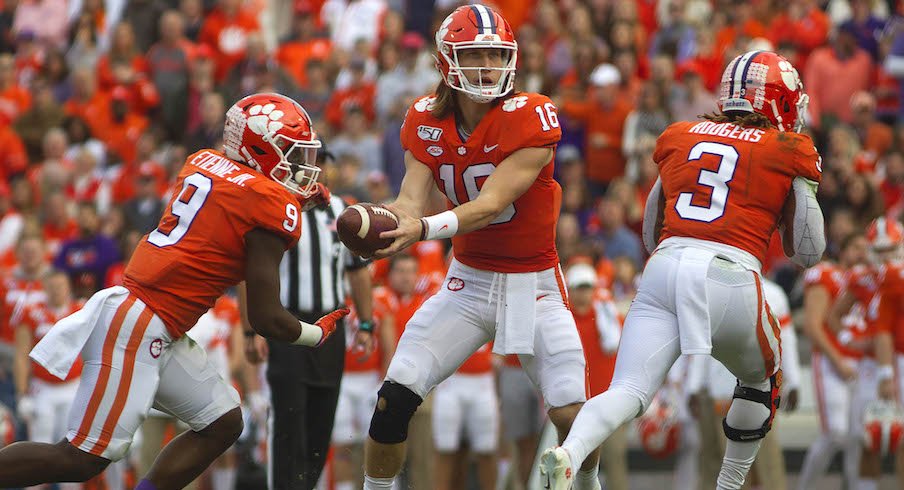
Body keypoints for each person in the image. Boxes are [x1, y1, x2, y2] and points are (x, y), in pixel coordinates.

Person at [0, 92, 349, 490]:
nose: (303, 166)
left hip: (154, 322)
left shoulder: (205, 162)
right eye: (291, 152)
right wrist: (315, 333)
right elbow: (268, 317)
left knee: (223, 421)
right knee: (82, 458)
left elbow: (233, 212)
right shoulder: (269, 205)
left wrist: (289, 199)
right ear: (259, 150)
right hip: (140, 324)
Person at [540, 50, 826, 490]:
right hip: (730, 273)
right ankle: (728, 484)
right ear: (778, 101)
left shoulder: (682, 134)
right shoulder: (788, 148)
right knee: (762, 379)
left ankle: (570, 453)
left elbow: (652, 231)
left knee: (628, 391)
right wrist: (800, 186)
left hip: (665, 266)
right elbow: (809, 251)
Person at [362, 5, 600, 490]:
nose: (489, 67)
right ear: (448, 61)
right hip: (467, 283)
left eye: (496, 55)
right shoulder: (425, 119)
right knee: (393, 401)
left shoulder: (530, 114)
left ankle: (587, 486)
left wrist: (422, 228)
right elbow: (410, 199)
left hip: (533, 284)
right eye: (476, 56)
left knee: (574, 416)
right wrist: (379, 223)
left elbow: (490, 204)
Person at [242, 142, 375, 490]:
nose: (315, 170)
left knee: (321, 420)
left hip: (331, 326)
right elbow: (252, 273)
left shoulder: (343, 210)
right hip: (287, 323)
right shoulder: (276, 209)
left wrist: (365, 322)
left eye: (322, 162)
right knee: (288, 418)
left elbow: (358, 271)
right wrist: (250, 329)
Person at [797, 232, 869, 489]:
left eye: (866, 247)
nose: (861, 253)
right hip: (831, 362)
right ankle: (805, 486)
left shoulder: (870, 279)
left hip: (863, 364)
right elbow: (812, 326)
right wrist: (838, 360)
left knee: (856, 437)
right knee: (835, 433)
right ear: (844, 248)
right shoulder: (827, 273)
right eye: (856, 246)